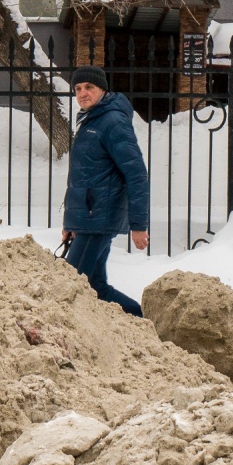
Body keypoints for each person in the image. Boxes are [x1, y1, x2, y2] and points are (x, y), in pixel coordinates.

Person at [60, 65, 150, 317]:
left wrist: (139, 225)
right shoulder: (92, 121)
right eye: (78, 88)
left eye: (89, 87)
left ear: (102, 89)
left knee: (69, 283)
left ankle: (145, 324)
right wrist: (71, 222)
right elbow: (84, 176)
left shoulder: (113, 122)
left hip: (98, 219)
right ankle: (144, 322)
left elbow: (136, 175)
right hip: (88, 219)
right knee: (96, 287)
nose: (82, 93)